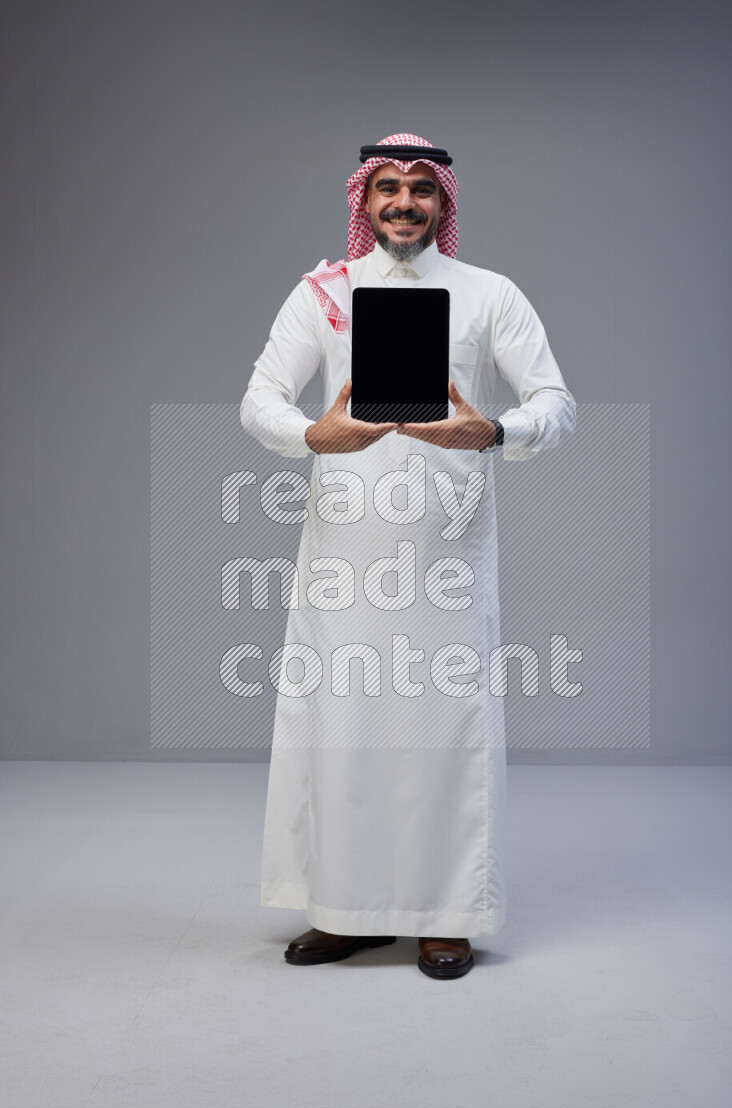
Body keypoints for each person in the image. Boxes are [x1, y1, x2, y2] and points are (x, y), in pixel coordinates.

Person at [240, 133, 576, 979]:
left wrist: (494, 431)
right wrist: (311, 434)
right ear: (364, 199)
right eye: (386, 187)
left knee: (444, 729)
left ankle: (446, 914)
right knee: (343, 728)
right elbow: (259, 401)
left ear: (443, 203)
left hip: (446, 552)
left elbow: (557, 405)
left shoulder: (489, 295)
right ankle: (345, 911)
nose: (402, 203)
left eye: (420, 190)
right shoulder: (325, 291)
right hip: (345, 550)